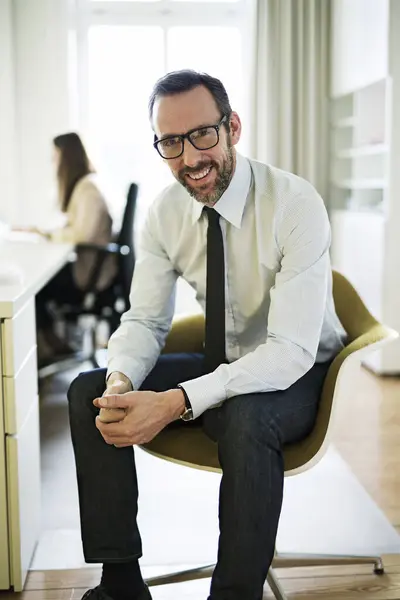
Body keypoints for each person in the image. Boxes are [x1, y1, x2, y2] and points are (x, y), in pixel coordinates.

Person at [68, 70, 346, 600]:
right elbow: (146, 320)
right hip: (220, 359)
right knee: (90, 392)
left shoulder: (294, 203)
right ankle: (121, 583)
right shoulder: (164, 213)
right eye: (170, 142)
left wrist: (175, 402)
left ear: (232, 127)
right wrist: (123, 382)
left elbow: (288, 352)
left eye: (202, 135)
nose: (190, 158)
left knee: (246, 415)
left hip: (301, 372)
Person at [35, 132, 116, 362]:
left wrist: (48, 234)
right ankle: (53, 342)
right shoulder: (88, 184)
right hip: (93, 270)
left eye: (56, 157)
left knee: (34, 289)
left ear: (66, 158)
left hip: (91, 277)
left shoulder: (87, 188)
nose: (54, 164)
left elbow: (83, 233)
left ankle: (50, 346)